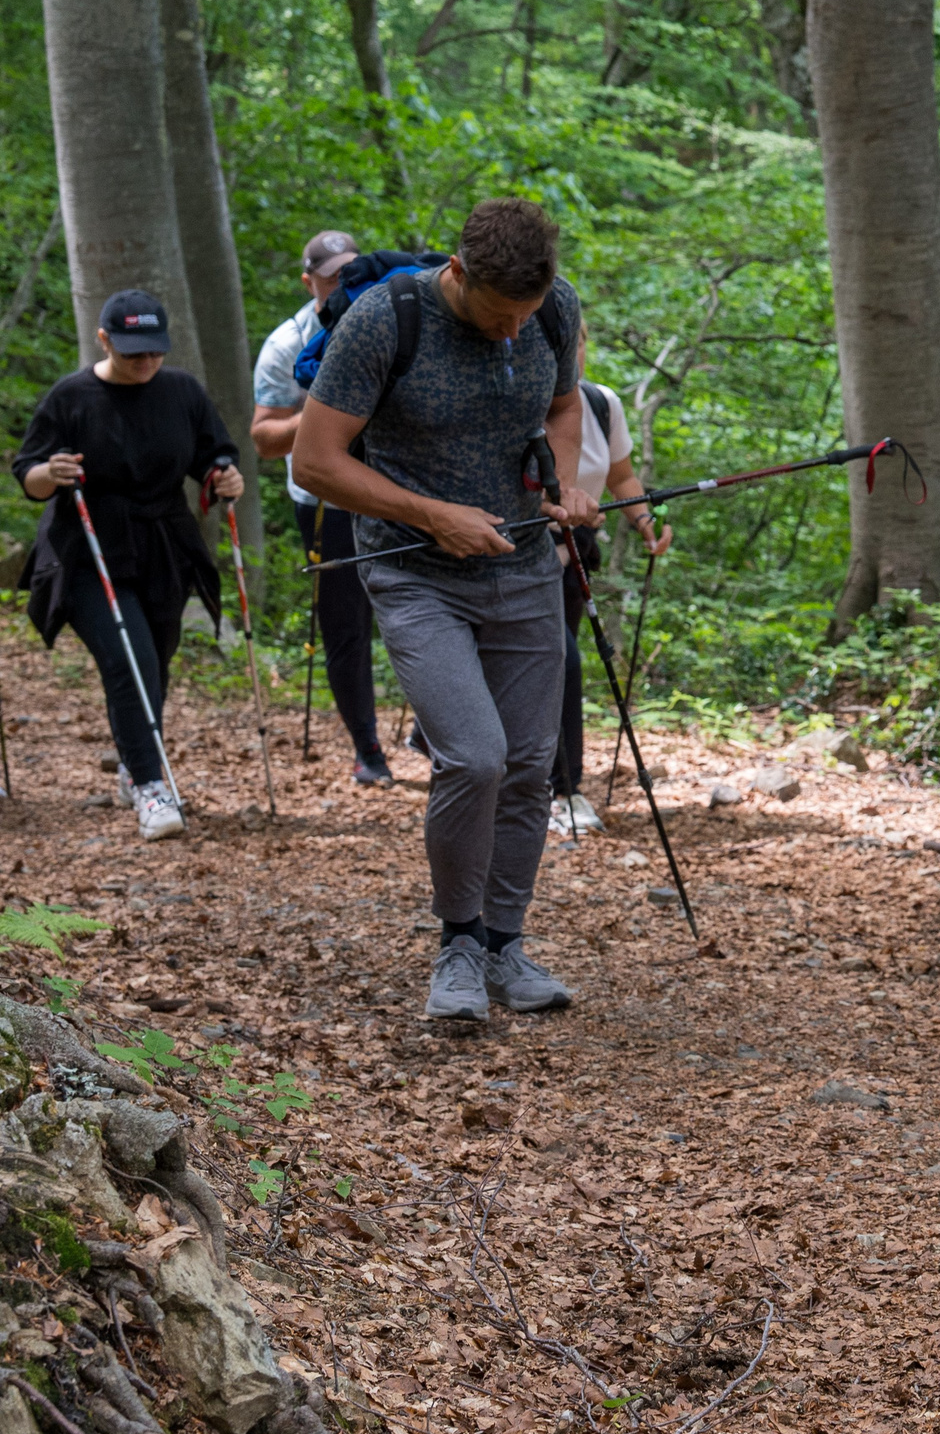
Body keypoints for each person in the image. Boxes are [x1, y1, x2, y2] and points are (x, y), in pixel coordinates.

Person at [294, 198, 602, 1022]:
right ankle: (458, 945)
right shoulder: (382, 322)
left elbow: (565, 405)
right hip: (413, 570)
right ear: (459, 275)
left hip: (526, 564)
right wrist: (432, 514)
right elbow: (315, 460)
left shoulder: (554, 307)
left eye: (525, 317)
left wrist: (564, 486)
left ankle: (506, 945)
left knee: (532, 763)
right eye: (500, 316)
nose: (512, 333)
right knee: (474, 756)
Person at [12, 290, 243, 841]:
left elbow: (213, 452)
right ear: (104, 340)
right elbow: (28, 474)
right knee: (129, 661)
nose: (145, 363)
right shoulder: (71, 397)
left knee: (156, 660)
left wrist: (222, 475)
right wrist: (53, 471)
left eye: (154, 352)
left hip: (163, 545)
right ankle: (149, 783)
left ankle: (131, 764)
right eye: (132, 352)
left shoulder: (181, 391)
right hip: (87, 549)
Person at [252, 230, 391, 785]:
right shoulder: (288, 345)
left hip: (390, 491)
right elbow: (263, 439)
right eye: (331, 275)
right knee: (346, 625)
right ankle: (368, 747)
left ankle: (427, 735)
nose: (342, 283)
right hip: (323, 502)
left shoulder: (388, 316)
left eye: (350, 271)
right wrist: (323, 408)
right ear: (309, 281)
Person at [550, 324, 665, 836]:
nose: (571, 352)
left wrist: (644, 525)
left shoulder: (601, 403)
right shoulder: (519, 405)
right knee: (560, 663)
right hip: (516, 558)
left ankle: (553, 785)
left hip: (576, 556)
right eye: (560, 343)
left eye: (578, 341)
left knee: (556, 661)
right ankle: (563, 790)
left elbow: (621, 477)